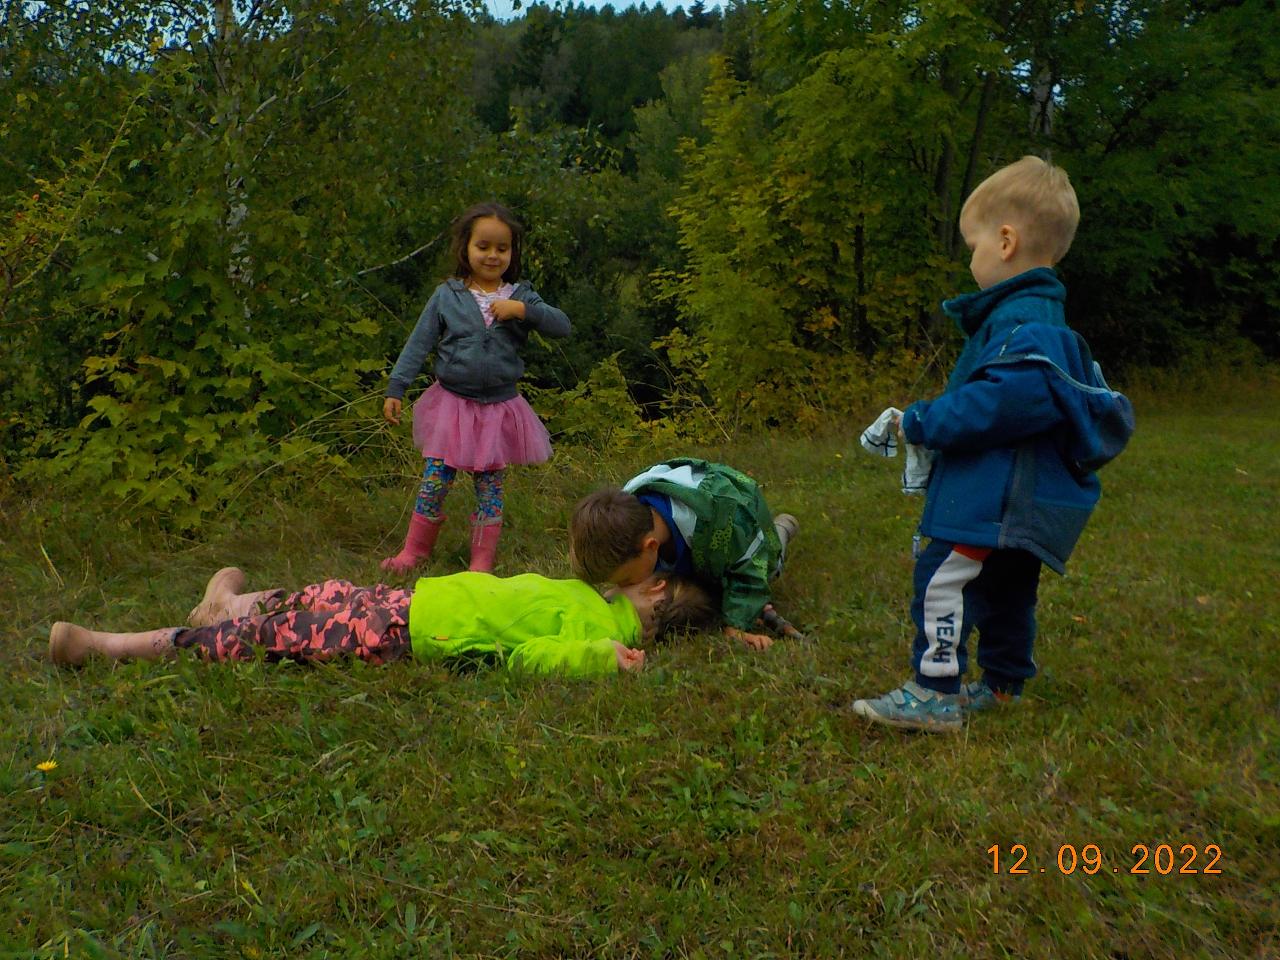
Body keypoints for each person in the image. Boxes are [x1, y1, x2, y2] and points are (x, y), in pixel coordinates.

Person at [850, 155, 1134, 733]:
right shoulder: (1037, 318)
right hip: (1016, 501)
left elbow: (1009, 401)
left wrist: (926, 419)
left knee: (941, 579)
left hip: (992, 500)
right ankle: (1003, 687)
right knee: (1006, 591)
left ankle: (934, 691)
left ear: (1005, 242)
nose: (971, 259)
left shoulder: (1024, 322)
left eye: (973, 245)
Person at [49, 566, 717, 678]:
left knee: (276, 640)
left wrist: (601, 658)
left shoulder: (598, 632)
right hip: (413, 603)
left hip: (408, 635)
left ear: (655, 589)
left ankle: (110, 646)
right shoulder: (596, 599)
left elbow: (528, 657)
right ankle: (228, 602)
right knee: (323, 595)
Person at [380, 202, 570, 575]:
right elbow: (419, 344)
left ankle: (481, 562)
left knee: (490, 488)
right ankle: (413, 552)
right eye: (483, 246)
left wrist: (522, 311)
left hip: (498, 409)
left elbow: (562, 326)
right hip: (452, 405)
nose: (492, 255)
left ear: (513, 252)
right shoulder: (447, 295)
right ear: (465, 247)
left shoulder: (520, 295)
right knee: (435, 481)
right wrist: (396, 388)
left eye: (502, 248)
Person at [568, 458, 800, 651]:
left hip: (750, 534)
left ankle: (781, 530)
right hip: (694, 543)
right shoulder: (626, 513)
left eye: (626, 580)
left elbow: (751, 568)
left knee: (765, 568)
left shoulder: (725, 521)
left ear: (650, 547)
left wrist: (736, 625)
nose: (623, 587)